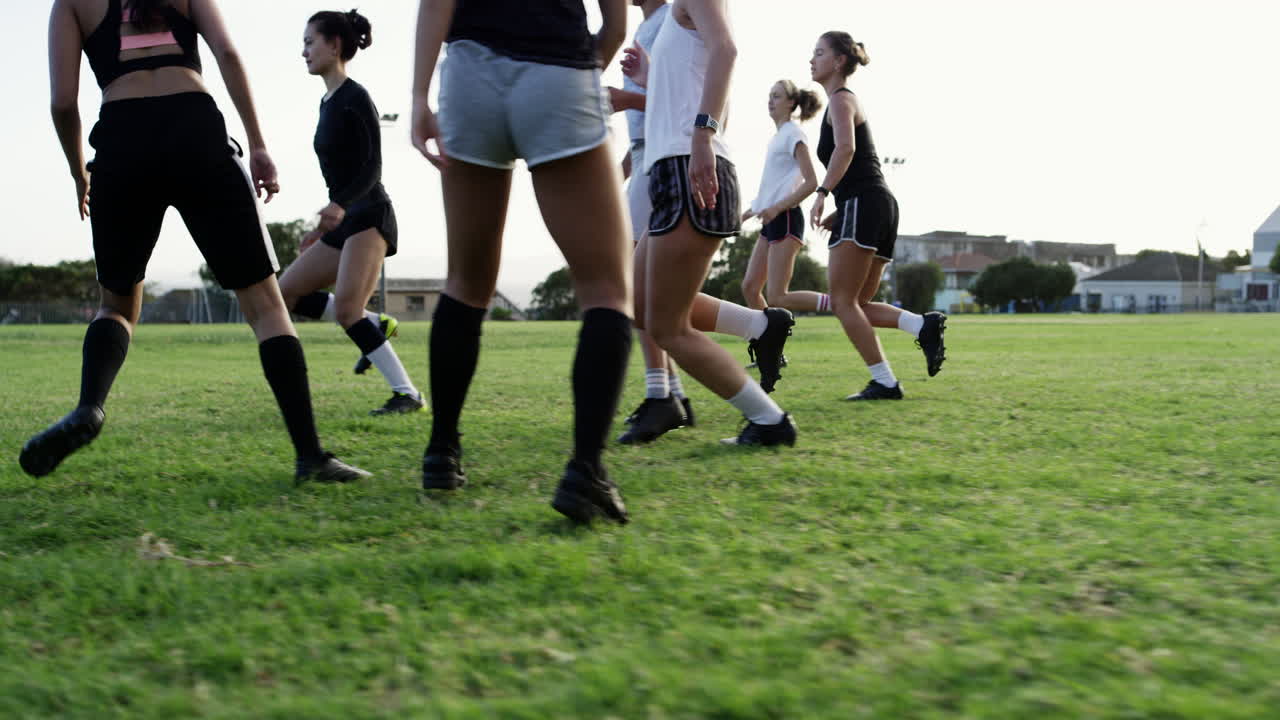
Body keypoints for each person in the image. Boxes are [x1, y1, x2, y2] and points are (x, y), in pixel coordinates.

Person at [23, 0, 369, 483]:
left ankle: (89, 408)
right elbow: (227, 53)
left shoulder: (70, 5)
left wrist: (78, 171)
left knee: (116, 306)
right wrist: (258, 145)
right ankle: (310, 456)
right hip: (196, 130)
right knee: (267, 307)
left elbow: (63, 102)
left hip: (122, 141)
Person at [411, 0, 634, 523]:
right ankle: (586, 470)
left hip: (469, 74)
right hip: (558, 66)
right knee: (606, 290)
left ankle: (441, 450)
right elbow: (617, 25)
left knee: (466, 282)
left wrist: (419, 96)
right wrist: (571, 83)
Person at [624, 0, 797, 447]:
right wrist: (650, 80)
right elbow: (695, 78)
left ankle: (769, 421)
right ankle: (760, 327)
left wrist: (703, 133)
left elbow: (727, 51)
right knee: (639, 303)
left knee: (667, 327)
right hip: (670, 170)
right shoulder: (671, 23)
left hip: (690, 169)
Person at [276, 9, 424, 417]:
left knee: (346, 311)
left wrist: (339, 206)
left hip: (370, 214)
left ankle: (407, 394)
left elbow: (372, 168)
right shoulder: (327, 102)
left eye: (310, 42)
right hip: (345, 219)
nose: (304, 51)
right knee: (286, 292)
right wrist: (325, 225)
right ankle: (375, 324)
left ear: (335, 45)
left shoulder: (356, 97)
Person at [808, 31, 946, 401]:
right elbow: (858, 164)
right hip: (877, 204)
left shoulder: (840, 99)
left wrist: (823, 193)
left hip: (866, 203)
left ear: (839, 61)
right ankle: (921, 325)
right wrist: (842, 207)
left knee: (842, 302)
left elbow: (846, 149)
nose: (812, 60)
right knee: (858, 306)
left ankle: (885, 382)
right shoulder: (842, 101)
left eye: (819, 53)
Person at [605, 0, 696, 445]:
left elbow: (679, 98)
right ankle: (674, 395)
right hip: (645, 154)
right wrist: (621, 168)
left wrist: (625, 99)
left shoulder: (671, 19)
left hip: (663, 155)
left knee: (637, 287)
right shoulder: (648, 26)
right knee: (643, 286)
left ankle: (662, 395)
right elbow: (648, 118)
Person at [740, 80, 825, 316]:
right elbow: (772, 188)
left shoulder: (793, 134)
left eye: (776, 96)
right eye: (770, 95)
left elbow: (811, 182)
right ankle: (772, 335)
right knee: (750, 288)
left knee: (778, 296)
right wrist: (746, 214)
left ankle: (837, 302)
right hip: (771, 220)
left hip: (786, 218)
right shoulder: (776, 138)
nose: (770, 101)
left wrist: (777, 208)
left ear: (791, 103)